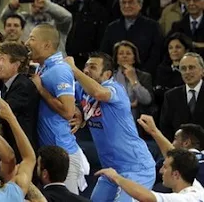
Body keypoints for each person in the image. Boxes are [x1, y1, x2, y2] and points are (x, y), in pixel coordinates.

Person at [63, 53, 156, 200]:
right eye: (85, 66)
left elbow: (99, 93)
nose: (86, 70)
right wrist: (77, 109)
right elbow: (64, 95)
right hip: (110, 170)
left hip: (136, 168)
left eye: (92, 67)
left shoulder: (115, 88)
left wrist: (73, 69)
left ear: (107, 74)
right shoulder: (82, 88)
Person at [27, 23, 86, 194]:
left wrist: (41, 90)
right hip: (48, 154)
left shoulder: (59, 70)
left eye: (32, 39)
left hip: (63, 155)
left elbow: (68, 112)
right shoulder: (45, 68)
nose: (27, 42)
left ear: (46, 45)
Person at [97, 149, 204, 201]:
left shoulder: (187, 199)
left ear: (176, 174)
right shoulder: (192, 181)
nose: (161, 171)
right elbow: (182, 160)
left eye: (165, 167)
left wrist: (116, 177)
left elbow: (148, 197)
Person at [160, 52, 204, 141]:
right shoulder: (171, 96)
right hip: (180, 151)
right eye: (183, 69)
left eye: (191, 67)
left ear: (202, 70)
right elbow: (165, 127)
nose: (187, 72)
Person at [112, 40, 153, 120]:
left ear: (134, 58)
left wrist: (133, 79)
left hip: (136, 120)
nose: (124, 56)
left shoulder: (144, 76)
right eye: (121, 53)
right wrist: (129, 105)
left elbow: (147, 100)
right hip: (115, 118)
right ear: (116, 58)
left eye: (128, 53)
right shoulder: (110, 76)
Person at [154, 32, 192, 107]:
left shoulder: (191, 71)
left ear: (186, 50)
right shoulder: (161, 70)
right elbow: (158, 94)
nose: (174, 50)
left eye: (178, 47)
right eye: (170, 48)